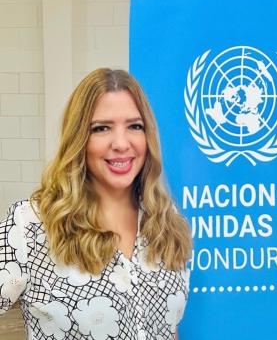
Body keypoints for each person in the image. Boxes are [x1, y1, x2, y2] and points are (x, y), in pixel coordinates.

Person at [0, 68, 192, 340]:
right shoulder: (31, 226)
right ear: (79, 139)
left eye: (134, 126)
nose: (121, 143)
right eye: (101, 128)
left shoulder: (166, 222)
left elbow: (167, 329)